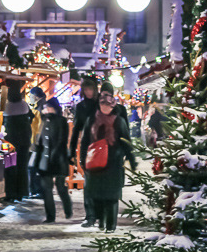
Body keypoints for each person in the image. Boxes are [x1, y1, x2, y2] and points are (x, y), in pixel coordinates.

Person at [82, 92, 136, 233]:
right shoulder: (91, 120)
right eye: (102, 104)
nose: (105, 107)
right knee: (97, 195)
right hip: (95, 164)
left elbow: (126, 142)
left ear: (113, 106)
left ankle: (111, 226)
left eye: (108, 105)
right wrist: (82, 160)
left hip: (113, 163)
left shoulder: (119, 121)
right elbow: (85, 141)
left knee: (111, 196)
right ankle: (101, 222)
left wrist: (131, 159)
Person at [30, 98, 73, 223]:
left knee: (60, 187)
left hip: (58, 159)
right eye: (44, 107)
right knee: (46, 189)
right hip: (44, 160)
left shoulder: (61, 121)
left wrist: (55, 155)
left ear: (53, 108)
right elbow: (39, 139)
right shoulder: (42, 121)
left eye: (47, 107)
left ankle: (68, 209)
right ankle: (50, 216)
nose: (45, 110)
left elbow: (62, 140)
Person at [69, 76, 101, 227]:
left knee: (100, 182)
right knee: (88, 184)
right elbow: (76, 129)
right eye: (86, 89)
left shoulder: (101, 104)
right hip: (87, 147)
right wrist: (71, 149)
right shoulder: (80, 106)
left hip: (102, 146)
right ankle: (90, 216)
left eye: (90, 89)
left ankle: (100, 214)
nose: (88, 92)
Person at [2, 83, 33, 203]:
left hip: (9, 141)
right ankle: (21, 193)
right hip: (24, 141)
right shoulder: (24, 105)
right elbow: (32, 117)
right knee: (22, 167)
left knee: (9, 167)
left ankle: (10, 194)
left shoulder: (7, 106)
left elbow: (2, 121)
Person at [26, 87, 46, 199]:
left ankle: (38, 191)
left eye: (30, 96)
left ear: (36, 96)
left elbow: (40, 127)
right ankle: (36, 190)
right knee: (34, 167)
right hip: (36, 142)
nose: (29, 98)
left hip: (37, 143)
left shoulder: (40, 107)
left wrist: (37, 143)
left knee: (34, 167)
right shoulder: (39, 106)